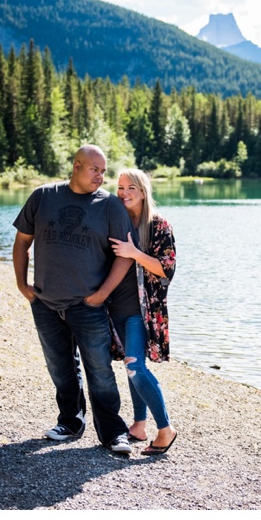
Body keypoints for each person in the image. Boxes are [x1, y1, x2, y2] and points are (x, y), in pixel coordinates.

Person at [12, 144, 134, 454]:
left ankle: (113, 434)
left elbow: (124, 257)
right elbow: (22, 241)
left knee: (100, 371)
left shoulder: (110, 207)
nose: (101, 176)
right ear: (77, 166)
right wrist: (22, 284)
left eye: (104, 171)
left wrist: (102, 295)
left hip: (87, 305)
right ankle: (70, 422)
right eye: (95, 169)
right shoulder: (43, 197)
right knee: (60, 367)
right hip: (45, 303)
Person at [108, 168, 177, 455]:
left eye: (130, 188)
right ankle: (138, 425)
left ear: (143, 192)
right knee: (128, 364)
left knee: (135, 365)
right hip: (115, 307)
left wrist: (134, 252)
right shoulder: (116, 220)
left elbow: (166, 269)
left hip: (142, 310)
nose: (123, 193)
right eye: (120, 187)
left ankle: (166, 429)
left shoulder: (159, 225)